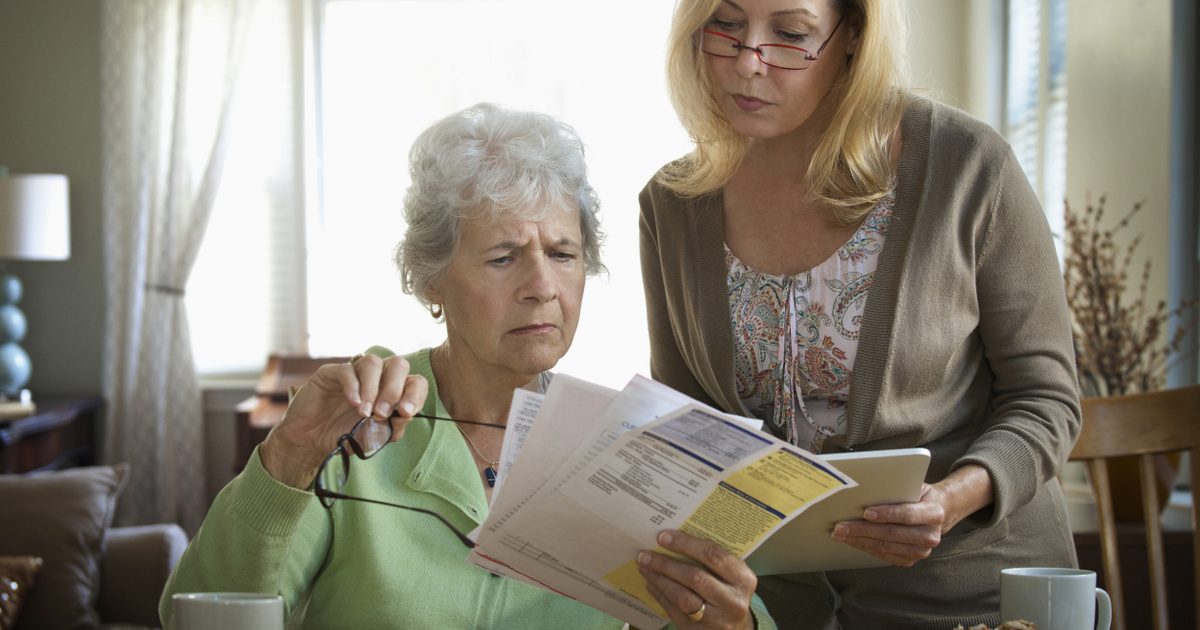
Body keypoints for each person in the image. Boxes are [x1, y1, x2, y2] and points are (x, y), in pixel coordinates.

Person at [160, 103, 772, 629]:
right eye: (504, 257)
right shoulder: (359, 420)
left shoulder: (635, 447)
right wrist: (290, 456)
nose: (542, 286)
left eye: (563, 253)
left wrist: (732, 620)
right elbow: (205, 615)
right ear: (432, 280)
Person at [639, 1, 1081, 628]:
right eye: (726, 26)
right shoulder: (673, 203)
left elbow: (1047, 399)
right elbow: (688, 419)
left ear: (852, 36)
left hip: (978, 598)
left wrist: (952, 500)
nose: (747, 62)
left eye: (790, 35)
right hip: (770, 608)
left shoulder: (968, 167)